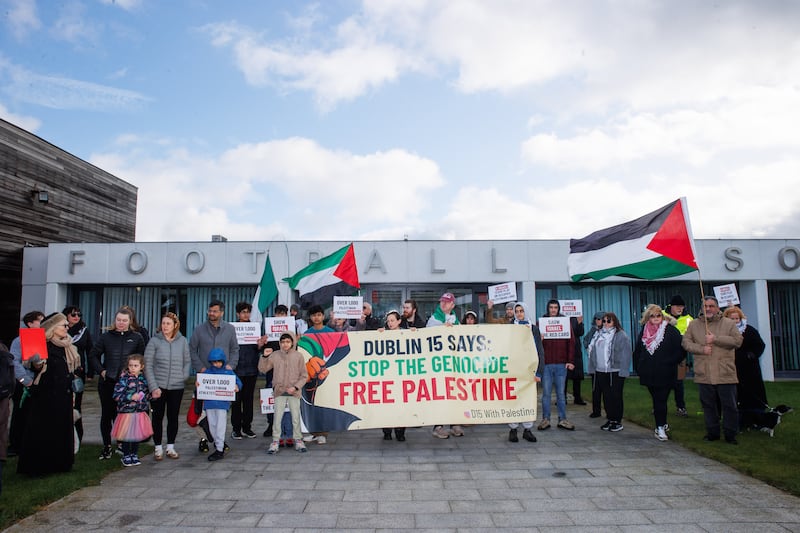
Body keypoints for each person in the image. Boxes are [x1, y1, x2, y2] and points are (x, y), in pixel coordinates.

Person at [17, 313, 79, 475]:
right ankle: (41, 466)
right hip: (45, 395)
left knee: (62, 430)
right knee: (44, 431)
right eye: (63, 325)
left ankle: (61, 464)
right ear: (53, 328)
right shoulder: (43, 344)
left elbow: (71, 370)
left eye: (67, 325)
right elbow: (34, 366)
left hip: (63, 394)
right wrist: (35, 363)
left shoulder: (68, 346)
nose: (67, 328)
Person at [682, 296, 743, 444]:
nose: (708, 309)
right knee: (708, 406)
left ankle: (730, 434)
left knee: (730, 406)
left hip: (725, 372)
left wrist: (716, 339)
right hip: (704, 372)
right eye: (705, 306)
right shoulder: (694, 325)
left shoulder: (728, 324)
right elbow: (686, 342)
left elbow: (737, 341)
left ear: (717, 308)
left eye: (711, 306)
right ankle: (712, 432)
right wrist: (701, 349)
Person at [89, 307, 146, 460]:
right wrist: (101, 371)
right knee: (107, 414)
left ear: (130, 321)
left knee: (124, 415)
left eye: (124, 320)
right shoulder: (105, 337)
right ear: (115, 320)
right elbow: (93, 355)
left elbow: (141, 358)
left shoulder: (137, 337)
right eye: (119, 320)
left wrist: (134, 375)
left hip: (128, 384)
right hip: (108, 382)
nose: (121, 323)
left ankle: (122, 444)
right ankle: (107, 446)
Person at [189, 299, 239, 453]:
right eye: (210, 311)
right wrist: (200, 368)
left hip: (223, 377)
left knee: (221, 411)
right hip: (206, 378)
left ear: (222, 312)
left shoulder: (230, 329)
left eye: (215, 311)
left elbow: (235, 349)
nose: (212, 313)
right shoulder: (199, 329)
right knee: (201, 411)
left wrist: (231, 365)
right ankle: (203, 439)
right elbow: (192, 349)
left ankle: (219, 441)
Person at [634, 305, 685, 441]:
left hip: (666, 372)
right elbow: (638, 350)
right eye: (652, 316)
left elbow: (681, 350)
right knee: (657, 399)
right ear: (648, 318)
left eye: (658, 315)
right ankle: (662, 422)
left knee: (660, 399)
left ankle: (660, 426)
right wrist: (639, 367)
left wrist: (669, 362)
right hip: (649, 372)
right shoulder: (644, 331)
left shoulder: (671, 331)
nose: (656, 318)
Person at [144, 312, 190, 460]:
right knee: (157, 417)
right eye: (163, 323)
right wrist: (153, 387)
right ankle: (157, 447)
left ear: (175, 325)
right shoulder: (154, 341)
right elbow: (148, 365)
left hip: (176, 387)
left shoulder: (182, 341)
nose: (165, 326)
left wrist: (183, 377)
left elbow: (187, 361)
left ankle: (171, 446)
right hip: (158, 386)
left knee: (173, 417)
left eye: (168, 323)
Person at [261, 333, 309, 454]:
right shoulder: (275, 355)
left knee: (295, 417)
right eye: (283, 342)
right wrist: (264, 357)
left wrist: (296, 387)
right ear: (279, 343)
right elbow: (263, 369)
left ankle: (298, 440)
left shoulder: (298, 356)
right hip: (279, 391)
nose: (285, 344)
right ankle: (275, 441)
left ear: (292, 342)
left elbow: (304, 376)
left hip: (294, 392)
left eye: (288, 342)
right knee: (277, 417)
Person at [586, 312, 631, 432]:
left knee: (615, 396)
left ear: (614, 322)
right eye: (604, 321)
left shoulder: (621, 335)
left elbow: (626, 354)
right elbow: (593, 350)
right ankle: (610, 418)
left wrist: (624, 370)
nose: (605, 323)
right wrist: (593, 367)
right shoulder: (598, 334)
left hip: (615, 370)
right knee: (606, 396)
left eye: (608, 321)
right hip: (601, 370)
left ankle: (617, 420)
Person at [426, 292, 463, 438]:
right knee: (440, 394)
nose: (443, 304)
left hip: (452, 363)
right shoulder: (434, 319)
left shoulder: (455, 319)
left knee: (454, 392)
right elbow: (428, 336)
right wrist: (443, 327)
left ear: (452, 305)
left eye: (447, 302)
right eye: (442, 302)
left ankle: (454, 423)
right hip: (439, 364)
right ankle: (438, 426)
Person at [8, 310, 44, 457]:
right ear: (30, 323)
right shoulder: (19, 341)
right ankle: (15, 444)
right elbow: (14, 361)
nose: (42, 324)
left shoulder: (43, 339)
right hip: (24, 384)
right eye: (40, 321)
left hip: (37, 382)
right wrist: (25, 380)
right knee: (20, 413)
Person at [537, 300, 576, 431]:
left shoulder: (565, 322)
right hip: (546, 364)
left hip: (561, 364)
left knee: (560, 394)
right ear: (548, 309)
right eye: (551, 307)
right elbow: (535, 345)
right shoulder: (541, 322)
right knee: (546, 394)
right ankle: (545, 419)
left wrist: (570, 360)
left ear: (558, 309)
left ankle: (562, 419)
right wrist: (539, 339)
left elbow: (571, 342)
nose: (553, 310)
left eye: (555, 307)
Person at [231, 302, 267, 440]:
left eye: (247, 312)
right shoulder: (231, 329)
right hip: (236, 370)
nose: (245, 314)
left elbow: (259, 349)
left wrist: (260, 345)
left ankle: (247, 427)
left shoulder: (254, 328)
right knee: (236, 401)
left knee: (248, 400)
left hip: (251, 369)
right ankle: (236, 429)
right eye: (243, 312)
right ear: (237, 314)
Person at [508, 302, 542, 443]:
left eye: (521, 310)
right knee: (513, 399)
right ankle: (513, 428)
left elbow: (540, 350)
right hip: (514, 369)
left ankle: (527, 429)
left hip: (529, 369)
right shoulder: (510, 328)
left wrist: (539, 372)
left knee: (528, 399)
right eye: (517, 311)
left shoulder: (533, 329)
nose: (519, 313)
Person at [199, 348, 242, 461]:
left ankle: (219, 449)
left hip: (222, 404)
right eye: (214, 362)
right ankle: (218, 444)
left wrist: (237, 387)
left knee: (220, 426)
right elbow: (200, 384)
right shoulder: (207, 373)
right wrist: (198, 384)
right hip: (209, 403)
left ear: (223, 361)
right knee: (212, 426)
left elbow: (238, 382)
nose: (217, 364)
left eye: (219, 361)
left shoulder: (228, 372)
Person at [723, 306, 768, 412]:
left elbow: (760, 345)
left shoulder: (749, 330)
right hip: (730, 366)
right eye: (732, 319)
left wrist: (751, 355)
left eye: (736, 318)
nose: (734, 321)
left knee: (752, 390)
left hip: (749, 367)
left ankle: (756, 411)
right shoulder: (723, 331)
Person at [301, 304, 335, 445]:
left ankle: (323, 433)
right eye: (314, 315)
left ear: (323, 316)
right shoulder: (307, 334)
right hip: (310, 372)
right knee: (311, 402)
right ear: (310, 317)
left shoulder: (331, 332)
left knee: (324, 401)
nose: (316, 317)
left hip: (326, 370)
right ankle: (314, 432)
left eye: (319, 315)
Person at [111, 354, 152, 466]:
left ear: (142, 366)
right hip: (126, 412)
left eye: (136, 365)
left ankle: (134, 454)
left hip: (139, 411)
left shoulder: (144, 379)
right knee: (126, 435)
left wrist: (152, 395)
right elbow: (116, 395)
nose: (133, 368)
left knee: (136, 434)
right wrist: (130, 397)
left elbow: (146, 394)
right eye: (130, 365)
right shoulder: (124, 379)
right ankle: (126, 455)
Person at [62, 305, 92, 442]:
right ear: (67, 315)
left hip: (77, 372)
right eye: (73, 314)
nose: (76, 317)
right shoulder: (61, 331)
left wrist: (90, 371)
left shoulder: (83, 331)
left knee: (76, 404)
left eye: (79, 315)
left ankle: (77, 436)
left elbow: (90, 351)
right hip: (62, 371)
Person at [378, 311, 407, 441]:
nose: (390, 323)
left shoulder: (407, 334)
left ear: (399, 321)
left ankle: (400, 431)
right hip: (387, 375)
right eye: (388, 321)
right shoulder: (383, 334)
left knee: (401, 404)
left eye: (392, 321)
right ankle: (387, 431)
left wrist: (415, 333)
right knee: (387, 404)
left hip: (402, 375)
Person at [664, 295, 693, 417]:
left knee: (678, 383)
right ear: (671, 306)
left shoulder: (688, 319)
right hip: (663, 354)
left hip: (680, 354)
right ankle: (659, 407)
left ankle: (681, 407)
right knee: (662, 382)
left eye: (682, 306)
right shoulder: (661, 314)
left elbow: (691, 336)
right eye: (677, 306)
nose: (680, 308)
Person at [583, 312, 605, 418]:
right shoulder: (593, 330)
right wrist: (588, 348)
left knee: (606, 390)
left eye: (599, 319)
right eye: (596, 319)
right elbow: (585, 340)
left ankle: (609, 411)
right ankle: (596, 411)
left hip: (605, 365)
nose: (597, 321)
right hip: (594, 365)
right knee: (595, 389)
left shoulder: (608, 331)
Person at [566, 312, 586, 405]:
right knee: (563, 376)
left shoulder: (576, 318)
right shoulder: (561, 318)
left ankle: (577, 397)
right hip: (564, 348)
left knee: (577, 375)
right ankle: (562, 398)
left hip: (576, 349)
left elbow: (581, 333)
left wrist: (579, 322)